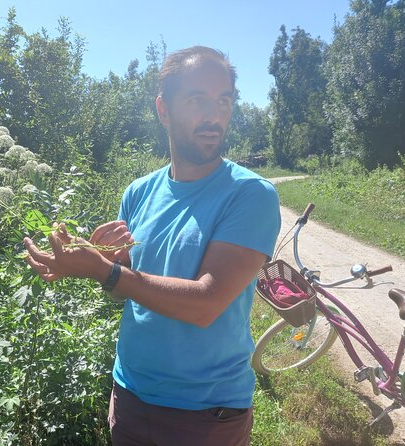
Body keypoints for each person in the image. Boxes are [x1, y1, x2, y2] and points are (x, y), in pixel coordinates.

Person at [24, 46, 281, 446]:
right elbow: (127, 296)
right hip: (129, 394)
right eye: (197, 100)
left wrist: (107, 271)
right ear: (163, 109)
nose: (214, 115)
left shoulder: (249, 195)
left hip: (204, 414)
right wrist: (112, 263)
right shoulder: (139, 192)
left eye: (224, 101)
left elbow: (204, 304)